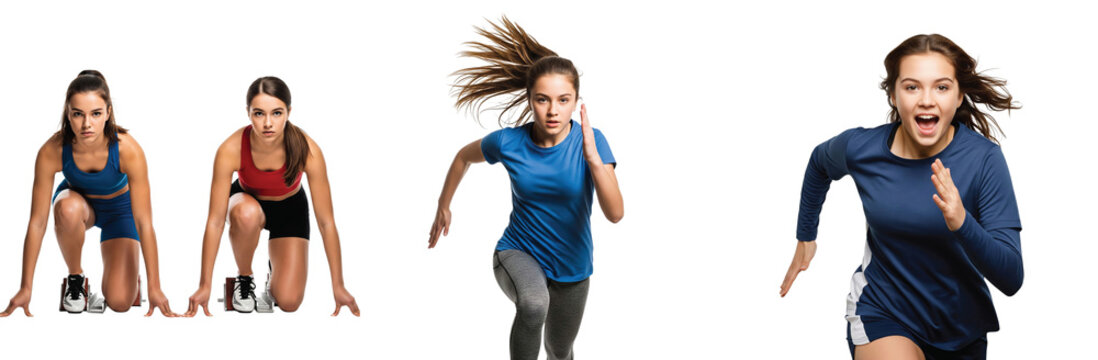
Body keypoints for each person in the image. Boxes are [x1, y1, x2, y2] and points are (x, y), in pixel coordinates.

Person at [780, 34, 1023, 359]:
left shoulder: (983, 160)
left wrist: (962, 222)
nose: (926, 99)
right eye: (912, 87)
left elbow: (1011, 277)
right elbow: (818, 164)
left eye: (941, 87)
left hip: (960, 330)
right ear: (894, 95)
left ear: (959, 95)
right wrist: (805, 236)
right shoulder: (861, 149)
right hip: (883, 312)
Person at [428, 17, 624, 360]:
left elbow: (616, 214)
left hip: (573, 266)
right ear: (529, 99)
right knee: (534, 305)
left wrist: (594, 160)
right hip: (518, 253)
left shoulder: (592, 143)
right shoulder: (508, 142)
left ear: (576, 99)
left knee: (560, 350)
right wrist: (444, 204)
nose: (553, 111)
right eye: (542, 100)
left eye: (563, 100)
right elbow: (462, 158)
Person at [1, 70, 176, 317]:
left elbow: (144, 222)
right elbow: (38, 222)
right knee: (66, 208)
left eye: (95, 114)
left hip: (120, 212)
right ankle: (76, 279)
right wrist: (25, 287)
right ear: (68, 115)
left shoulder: (128, 150)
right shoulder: (52, 151)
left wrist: (155, 287)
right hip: (79, 204)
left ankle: (127, 274)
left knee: (119, 302)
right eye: (77, 114)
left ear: (108, 112)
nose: (86, 124)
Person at [183, 76, 358, 316]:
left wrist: (338, 285)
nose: (268, 123)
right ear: (248, 113)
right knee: (247, 214)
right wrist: (204, 285)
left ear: (288, 112)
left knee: (289, 302)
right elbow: (214, 221)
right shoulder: (230, 149)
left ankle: (274, 271)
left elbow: (326, 222)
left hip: (290, 209)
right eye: (259, 113)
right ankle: (244, 279)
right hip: (246, 201)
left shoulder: (308, 149)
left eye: (276, 113)